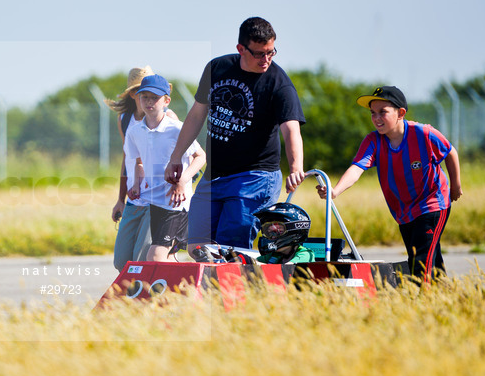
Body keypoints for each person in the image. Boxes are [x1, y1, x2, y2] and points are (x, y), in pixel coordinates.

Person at [164, 17, 306, 251]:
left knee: (231, 250)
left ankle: (240, 287)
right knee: (198, 249)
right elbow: (196, 115)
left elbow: (291, 130)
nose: (266, 59)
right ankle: (214, 288)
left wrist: (295, 167)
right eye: (260, 53)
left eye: (271, 52)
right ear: (241, 49)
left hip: (254, 179)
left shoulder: (278, 83)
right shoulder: (217, 68)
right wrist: (176, 156)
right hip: (214, 177)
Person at [316, 85, 462, 283]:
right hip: (404, 211)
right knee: (427, 258)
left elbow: (450, 152)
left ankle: (420, 299)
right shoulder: (373, 141)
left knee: (420, 260)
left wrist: (456, 186)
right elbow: (357, 168)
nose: (376, 118)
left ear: (401, 113)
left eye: (383, 112)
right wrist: (335, 191)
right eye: (373, 113)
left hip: (432, 203)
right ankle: (444, 296)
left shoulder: (424, 134)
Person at [125, 74, 206, 261]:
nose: (149, 101)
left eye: (155, 97)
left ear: (166, 101)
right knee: (168, 258)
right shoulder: (134, 131)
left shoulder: (177, 128)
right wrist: (137, 184)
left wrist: (183, 181)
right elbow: (139, 162)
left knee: (155, 256)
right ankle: (181, 289)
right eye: (144, 96)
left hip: (176, 203)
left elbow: (200, 156)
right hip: (155, 202)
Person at [108, 66, 179, 270]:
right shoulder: (125, 119)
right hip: (136, 196)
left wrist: (178, 184)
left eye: (153, 93)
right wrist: (121, 200)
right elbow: (127, 159)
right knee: (122, 262)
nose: (149, 97)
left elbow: (183, 157)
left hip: (159, 197)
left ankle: (154, 294)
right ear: (134, 94)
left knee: (144, 258)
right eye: (142, 91)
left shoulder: (169, 118)